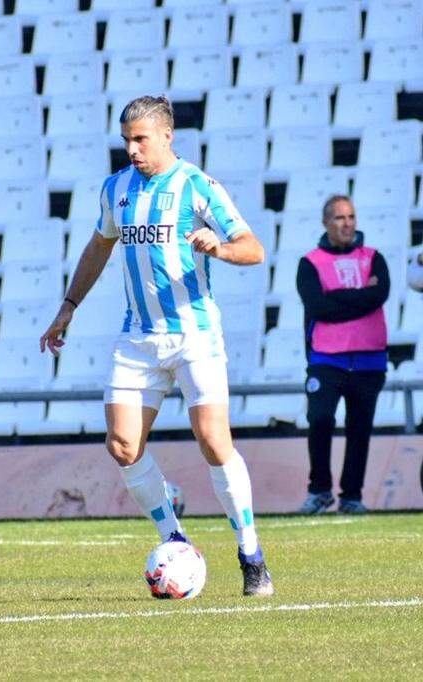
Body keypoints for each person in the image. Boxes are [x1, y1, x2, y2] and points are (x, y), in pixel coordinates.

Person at [39, 95, 274, 597]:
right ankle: (175, 537)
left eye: (140, 139)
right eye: (126, 139)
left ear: (167, 136)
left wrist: (221, 247)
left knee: (214, 442)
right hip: (138, 337)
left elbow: (254, 249)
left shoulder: (197, 186)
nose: (132, 149)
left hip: (195, 335)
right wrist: (68, 306)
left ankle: (250, 552)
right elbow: (100, 245)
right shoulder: (116, 188)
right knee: (123, 444)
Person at [295, 196, 389, 515]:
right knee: (319, 420)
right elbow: (318, 306)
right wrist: (361, 297)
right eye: (339, 218)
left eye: (351, 217)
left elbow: (379, 296)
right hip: (327, 358)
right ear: (325, 223)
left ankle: (352, 496)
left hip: (369, 359)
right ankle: (320, 490)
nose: (347, 223)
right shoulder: (310, 262)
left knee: (359, 428)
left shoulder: (374, 258)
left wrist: (338, 297)